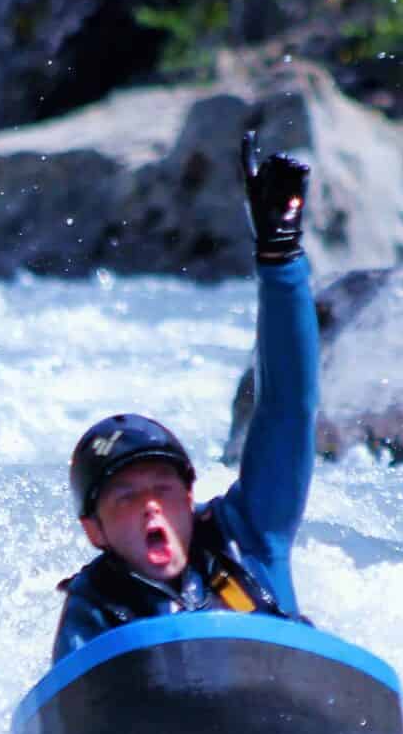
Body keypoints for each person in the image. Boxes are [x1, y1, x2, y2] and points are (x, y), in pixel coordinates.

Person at [52, 135, 316, 661]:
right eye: (125, 497)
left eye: (164, 489)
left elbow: (288, 407)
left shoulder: (250, 537)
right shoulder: (93, 609)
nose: (151, 507)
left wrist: (280, 256)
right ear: (93, 531)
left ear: (191, 500)